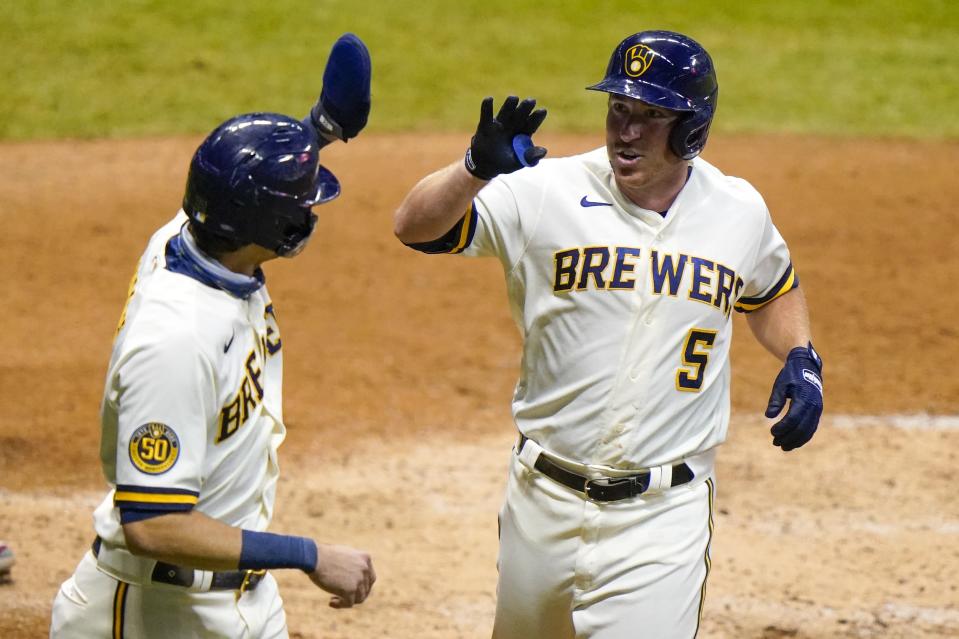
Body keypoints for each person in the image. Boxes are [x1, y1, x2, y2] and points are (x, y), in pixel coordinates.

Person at [393, 30, 824, 639]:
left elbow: (773, 287)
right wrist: (473, 171)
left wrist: (801, 355)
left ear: (692, 129)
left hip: (662, 517)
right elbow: (415, 227)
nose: (627, 132)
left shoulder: (738, 210)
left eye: (651, 116)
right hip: (541, 503)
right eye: (619, 109)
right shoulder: (545, 191)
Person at [50, 33, 376, 639]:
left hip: (240, 599)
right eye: (304, 203)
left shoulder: (201, 238)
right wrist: (311, 555)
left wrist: (319, 129)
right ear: (271, 227)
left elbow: (240, 182)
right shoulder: (175, 344)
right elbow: (154, 523)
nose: (312, 211)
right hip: (156, 613)